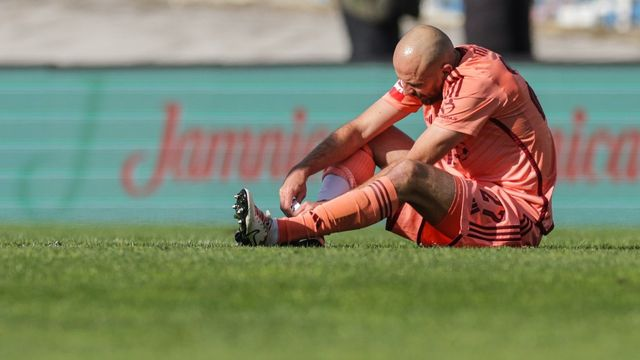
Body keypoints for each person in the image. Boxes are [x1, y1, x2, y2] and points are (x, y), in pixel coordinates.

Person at [233, 25, 557, 248]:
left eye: (415, 85)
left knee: (408, 172)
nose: (409, 90)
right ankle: (312, 231)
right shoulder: (433, 71)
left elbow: (416, 163)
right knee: (369, 139)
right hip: (461, 193)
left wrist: (326, 210)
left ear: (444, 72)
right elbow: (360, 129)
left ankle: (282, 231)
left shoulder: (479, 84)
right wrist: (301, 170)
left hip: (511, 215)